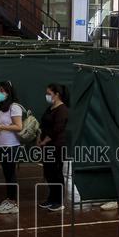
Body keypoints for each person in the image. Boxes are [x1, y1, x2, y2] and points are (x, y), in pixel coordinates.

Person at [0, 80, 23, 215]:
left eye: (2, 91)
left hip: (12, 146)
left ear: (9, 92)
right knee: (7, 174)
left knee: (11, 174)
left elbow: (19, 127)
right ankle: (10, 200)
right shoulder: (3, 108)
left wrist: (1, 127)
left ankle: (13, 203)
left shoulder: (15, 107)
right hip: (3, 146)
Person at [38, 83, 69, 212]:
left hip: (56, 147)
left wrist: (45, 141)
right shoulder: (50, 108)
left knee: (56, 173)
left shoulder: (62, 110)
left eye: (49, 93)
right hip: (46, 147)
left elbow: (57, 129)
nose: (47, 96)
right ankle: (51, 198)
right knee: (49, 173)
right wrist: (39, 139)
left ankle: (59, 201)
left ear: (57, 95)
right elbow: (43, 125)